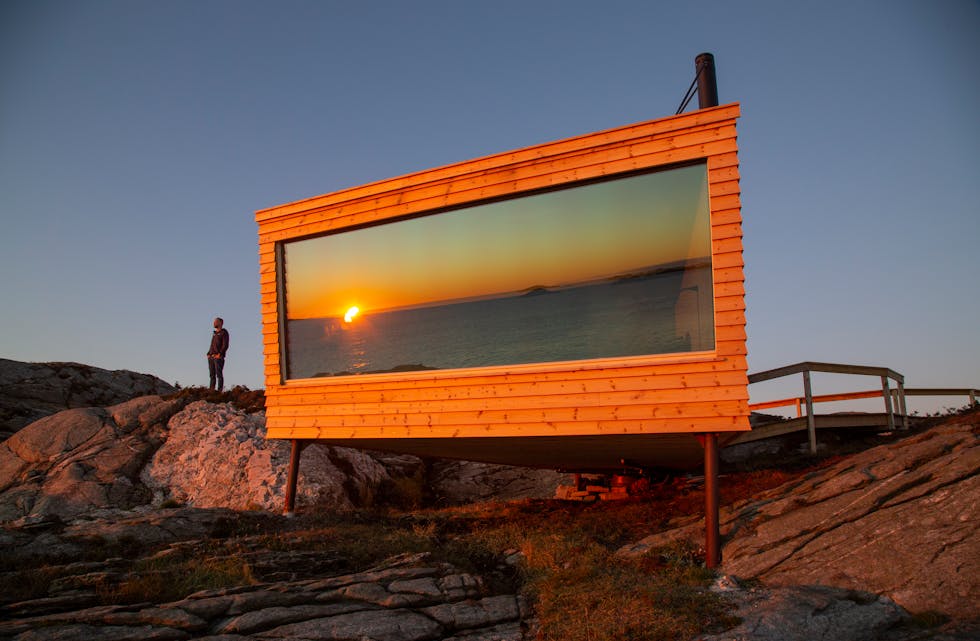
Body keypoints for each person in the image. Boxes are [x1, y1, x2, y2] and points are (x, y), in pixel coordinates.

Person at [207, 317, 230, 391]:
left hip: (218, 357)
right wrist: (208, 353)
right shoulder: (214, 334)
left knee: (219, 375)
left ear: (221, 323)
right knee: (212, 375)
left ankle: (219, 391)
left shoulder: (224, 332)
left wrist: (220, 354)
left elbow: (225, 345)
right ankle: (211, 391)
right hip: (211, 357)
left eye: (216, 321)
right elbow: (212, 345)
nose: (214, 323)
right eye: (214, 321)